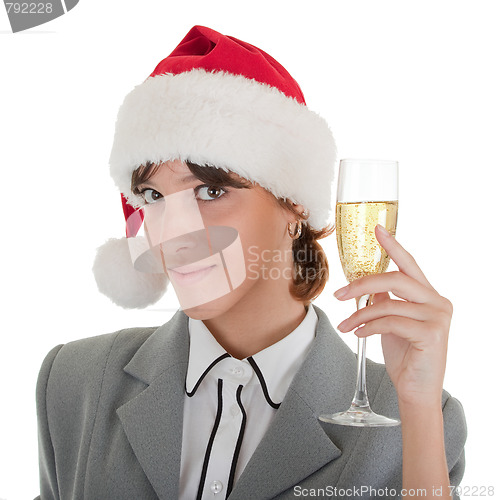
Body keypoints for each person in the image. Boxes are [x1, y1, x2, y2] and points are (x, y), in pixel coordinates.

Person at [35, 25, 467, 500]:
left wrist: (419, 411)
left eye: (211, 191)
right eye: (153, 195)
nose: (175, 236)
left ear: (294, 205)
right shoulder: (74, 381)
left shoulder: (415, 412)